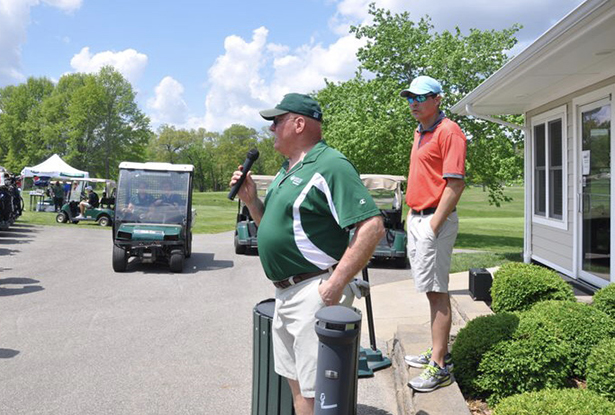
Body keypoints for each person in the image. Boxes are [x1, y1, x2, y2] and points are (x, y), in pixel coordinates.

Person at [230, 93, 384, 415]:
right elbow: (272, 225)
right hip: (284, 294)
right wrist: (251, 201)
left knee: (320, 397)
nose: (271, 129)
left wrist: (335, 284)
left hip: (314, 291)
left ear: (299, 124)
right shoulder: (286, 170)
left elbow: (372, 226)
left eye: (277, 121)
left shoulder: (330, 165)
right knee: (299, 388)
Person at [400, 76, 467, 393]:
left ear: (438, 99)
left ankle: (439, 366)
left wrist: (432, 226)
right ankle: (438, 350)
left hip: (433, 223)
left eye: (421, 97)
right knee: (430, 290)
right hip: (418, 217)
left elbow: (455, 184)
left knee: (438, 291)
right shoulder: (420, 131)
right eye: (410, 97)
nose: (414, 102)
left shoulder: (448, 131)